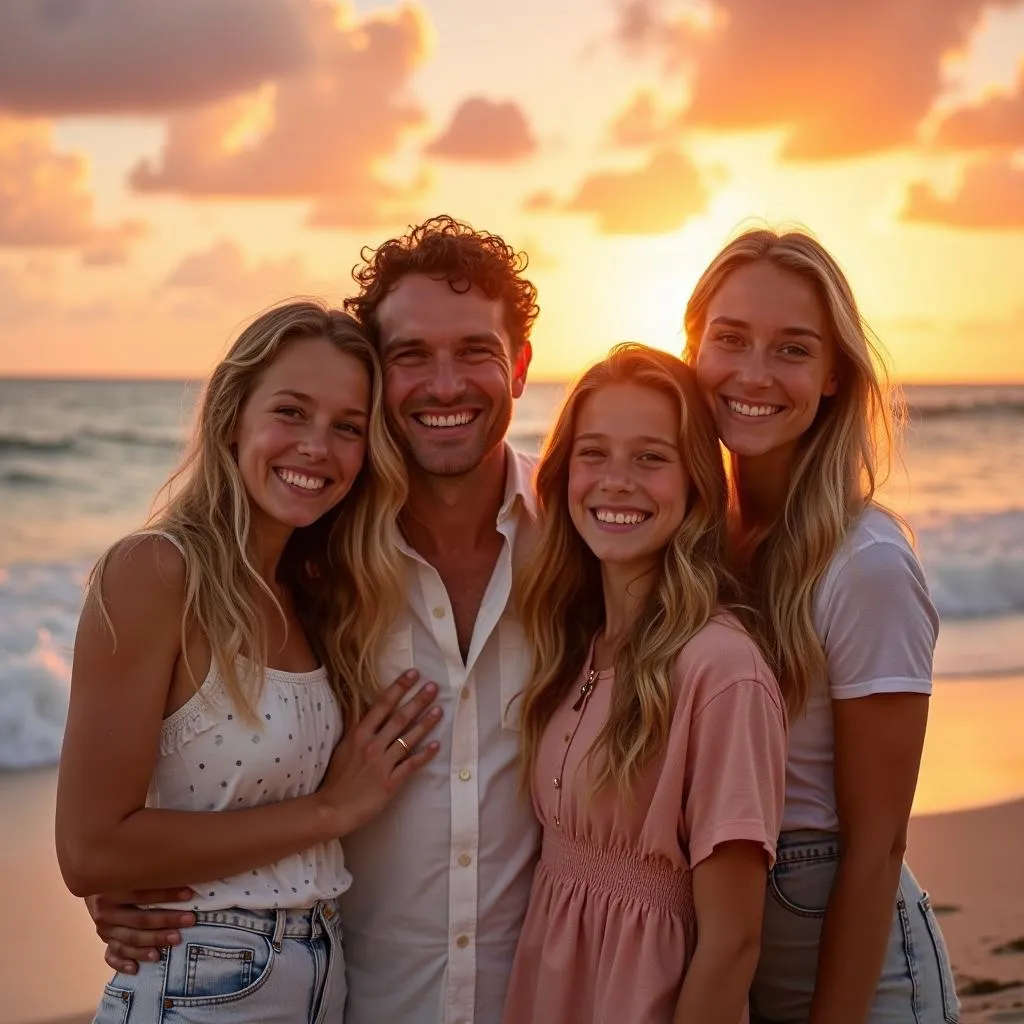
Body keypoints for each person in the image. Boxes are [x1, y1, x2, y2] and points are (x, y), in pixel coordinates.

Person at [84, 217, 544, 1024]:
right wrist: (129, 886)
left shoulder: (579, 535)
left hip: (523, 996)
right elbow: (104, 832)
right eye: (408, 356)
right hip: (343, 997)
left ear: (520, 369)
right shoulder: (299, 563)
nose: (443, 385)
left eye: (474, 350)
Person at [57, 301, 443, 1023]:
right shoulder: (156, 572)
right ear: (233, 416)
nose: (317, 448)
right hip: (200, 983)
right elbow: (89, 849)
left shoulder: (314, 592)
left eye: (348, 428)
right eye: (291, 413)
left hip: (324, 972)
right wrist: (330, 808)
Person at [683, 229, 960, 1023]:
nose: (754, 374)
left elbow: (876, 853)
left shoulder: (864, 564)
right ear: (694, 348)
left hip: (860, 979)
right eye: (730, 340)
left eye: (793, 349)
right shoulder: (687, 542)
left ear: (834, 374)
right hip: (730, 951)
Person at [502, 343, 788, 1024]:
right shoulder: (574, 643)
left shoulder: (722, 672)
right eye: (594, 453)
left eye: (651, 458)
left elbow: (733, 942)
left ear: (696, 483)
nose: (616, 481)